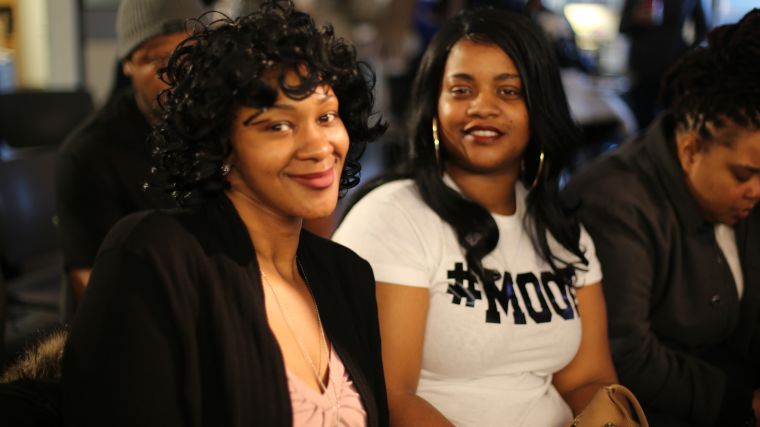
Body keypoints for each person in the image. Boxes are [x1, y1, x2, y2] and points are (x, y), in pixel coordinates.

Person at [61, 2, 388, 426]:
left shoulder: (347, 275)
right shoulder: (153, 257)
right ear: (221, 145)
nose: (318, 147)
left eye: (326, 116)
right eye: (278, 125)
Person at [334, 9, 616, 427]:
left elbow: (587, 380)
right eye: (461, 90)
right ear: (435, 104)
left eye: (508, 91)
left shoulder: (560, 228)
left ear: (539, 106)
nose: (482, 107)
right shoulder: (393, 215)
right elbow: (391, 396)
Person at [562, 9, 760, 427]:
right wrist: (742, 403)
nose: (756, 190)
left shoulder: (742, 198)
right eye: (744, 175)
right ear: (690, 150)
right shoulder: (614, 203)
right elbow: (628, 354)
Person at [55, 0, 205, 301]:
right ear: (127, 64)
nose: (176, 72)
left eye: (188, 55)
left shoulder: (223, 127)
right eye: (158, 59)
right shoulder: (88, 155)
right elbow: (91, 281)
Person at [619, 0, 707, 130]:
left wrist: (686, 53)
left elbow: (703, 30)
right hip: (642, 67)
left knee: (673, 122)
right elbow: (622, 27)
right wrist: (637, 19)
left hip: (673, 67)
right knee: (642, 123)